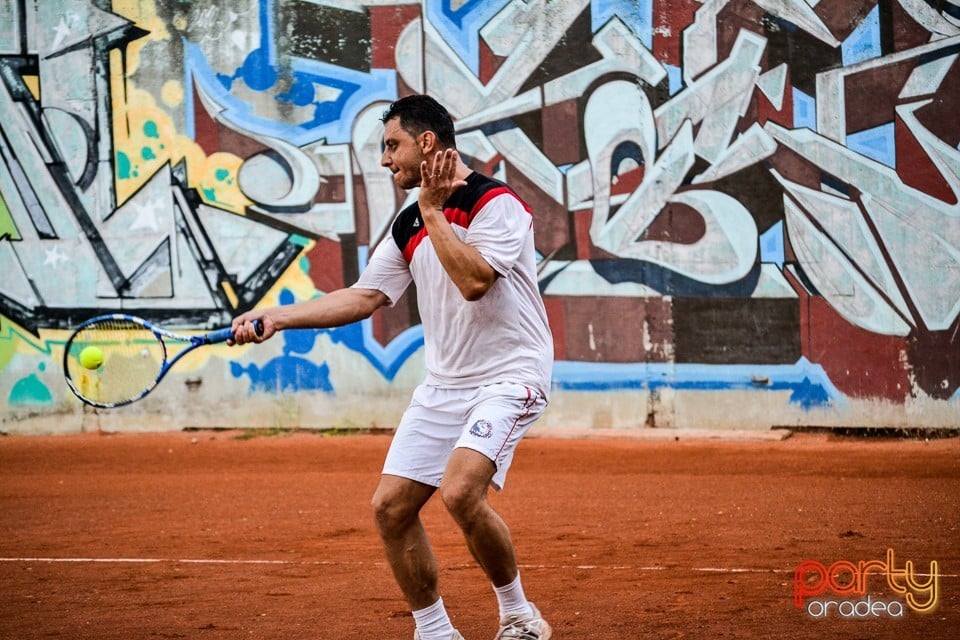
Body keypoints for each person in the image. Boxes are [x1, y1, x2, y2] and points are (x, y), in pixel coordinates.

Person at [230, 94, 554, 640]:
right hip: (444, 385)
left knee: (459, 493)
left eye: (391, 145)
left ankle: (519, 616)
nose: (385, 159)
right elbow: (365, 295)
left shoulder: (495, 204)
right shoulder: (408, 223)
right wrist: (278, 316)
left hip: (510, 375)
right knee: (391, 509)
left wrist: (432, 211)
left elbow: (475, 282)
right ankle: (435, 632)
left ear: (428, 143)